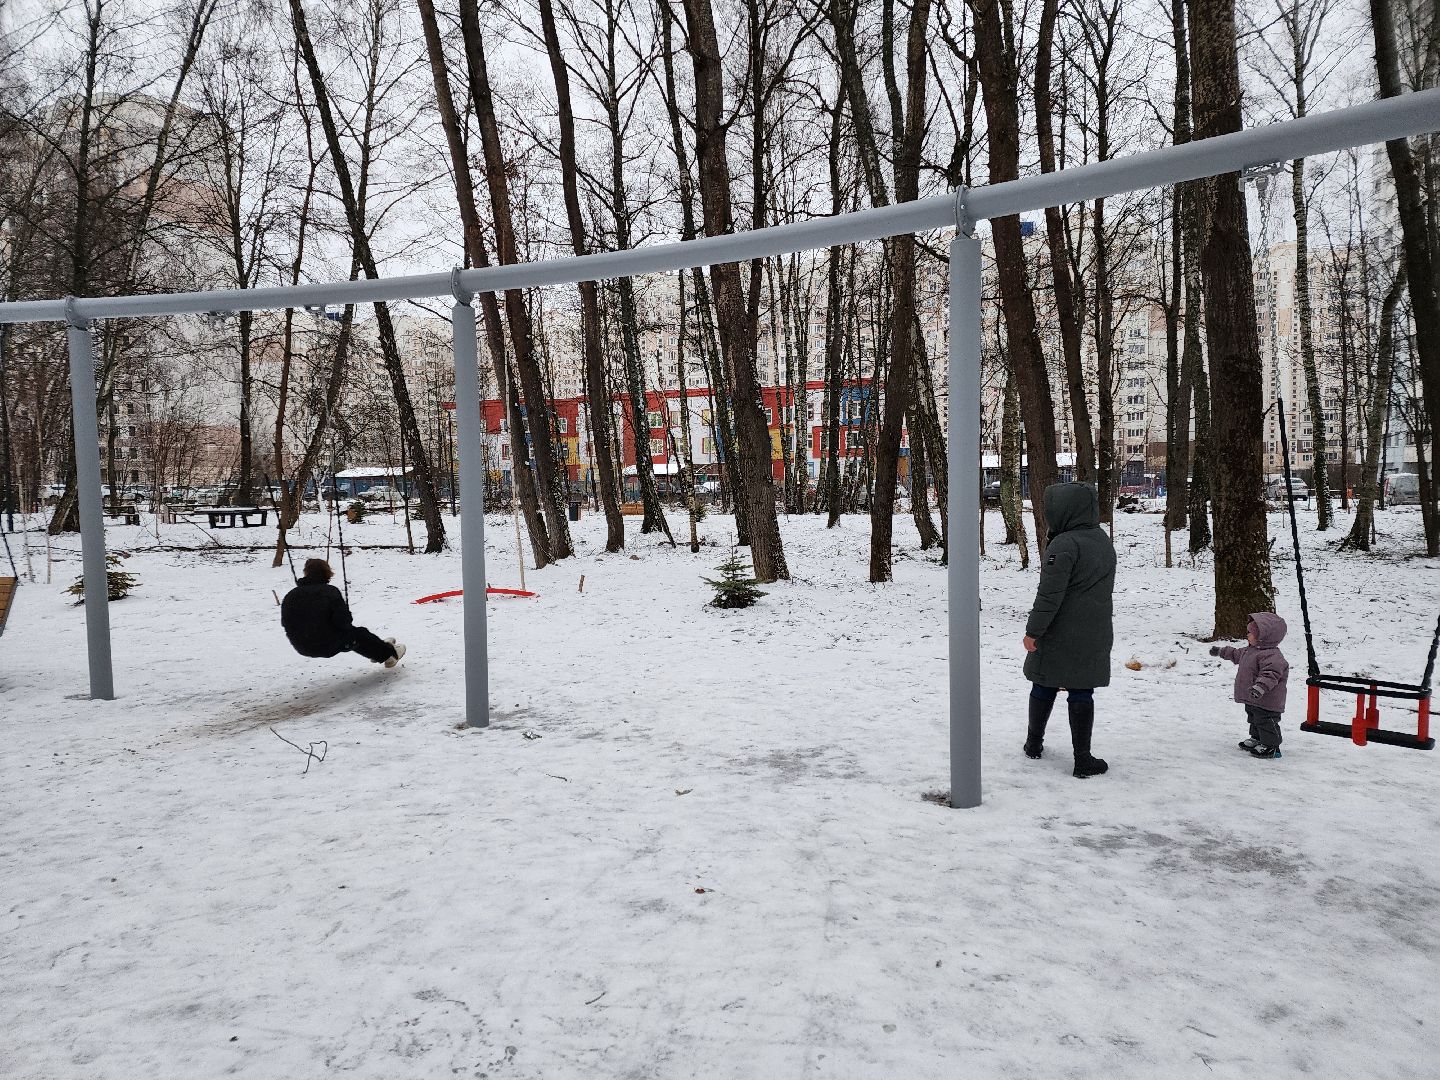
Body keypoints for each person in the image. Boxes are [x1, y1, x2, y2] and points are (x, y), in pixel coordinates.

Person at [1022, 482, 1116, 778]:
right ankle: (1083, 758)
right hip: (1094, 632)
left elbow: (1049, 595)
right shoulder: (1101, 540)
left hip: (1059, 631)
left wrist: (1033, 632)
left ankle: (1033, 744)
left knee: (1043, 682)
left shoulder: (1063, 545)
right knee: (1081, 689)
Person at [281, 558, 406, 668]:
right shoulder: (329, 592)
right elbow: (344, 622)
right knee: (357, 635)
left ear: (306, 573)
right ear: (327, 573)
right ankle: (390, 654)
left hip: (301, 646)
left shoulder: (290, 596)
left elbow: (285, 623)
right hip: (326, 645)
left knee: (352, 637)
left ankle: (379, 649)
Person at [1209, 613, 1289, 759]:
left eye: (1250, 633)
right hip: (1253, 698)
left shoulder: (1272, 656)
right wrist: (1221, 651)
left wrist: (1259, 688)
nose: (1247, 635)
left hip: (1267, 699)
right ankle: (1257, 739)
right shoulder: (1250, 650)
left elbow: (1270, 675)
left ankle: (1272, 746)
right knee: (1253, 718)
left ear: (1263, 636)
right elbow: (1235, 654)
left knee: (1266, 720)